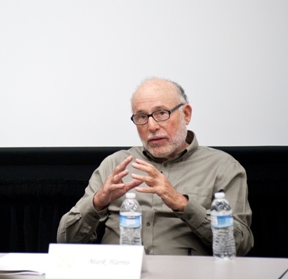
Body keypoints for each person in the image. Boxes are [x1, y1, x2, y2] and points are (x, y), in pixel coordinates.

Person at [57, 77, 254, 255]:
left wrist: (182, 204)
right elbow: (66, 241)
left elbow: (240, 244)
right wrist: (97, 202)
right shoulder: (115, 165)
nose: (152, 126)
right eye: (142, 117)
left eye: (161, 113)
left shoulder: (222, 167)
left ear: (186, 114)